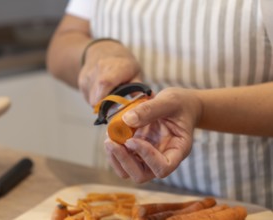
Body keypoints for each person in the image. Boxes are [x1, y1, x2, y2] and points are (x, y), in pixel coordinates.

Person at [46, 0, 273, 209]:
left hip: (239, 196)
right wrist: (96, 50)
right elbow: (63, 42)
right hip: (119, 192)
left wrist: (200, 107)